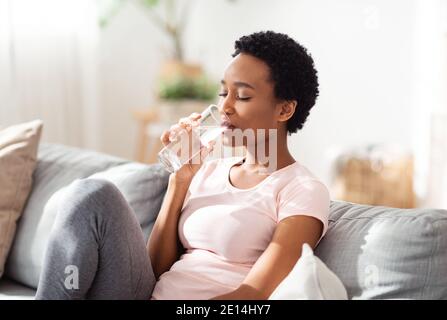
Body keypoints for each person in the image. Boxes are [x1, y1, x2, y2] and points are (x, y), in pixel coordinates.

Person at [35, 31, 330, 300]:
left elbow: (252, 296)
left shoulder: (302, 189)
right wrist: (180, 182)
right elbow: (154, 270)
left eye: (242, 96)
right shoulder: (210, 170)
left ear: (284, 109)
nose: (225, 107)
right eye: (223, 93)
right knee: (91, 193)